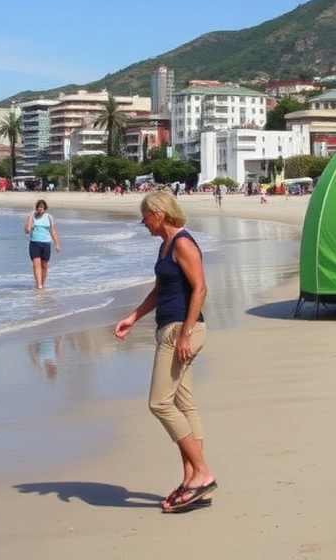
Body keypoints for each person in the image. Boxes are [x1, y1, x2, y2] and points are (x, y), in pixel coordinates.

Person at [113, 190, 216, 513]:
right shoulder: (165, 247)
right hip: (171, 330)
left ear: (160, 213)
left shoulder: (183, 243)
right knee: (184, 404)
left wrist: (184, 333)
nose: (142, 222)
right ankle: (191, 480)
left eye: (145, 216)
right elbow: (161, 290)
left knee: (159, 402)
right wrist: (133, 317)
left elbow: (200, 287)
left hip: (180, 332)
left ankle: (202, 473)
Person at [24, 199, 61, 289]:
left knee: (44, 265)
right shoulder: (32, 217)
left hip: (46, 243)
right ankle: (39, 285)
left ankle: (42, 283)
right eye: (38, 207)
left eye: (42, 207)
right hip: (34, 243)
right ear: (36, 208)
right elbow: (27, 231)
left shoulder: (49, 217)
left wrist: (57, 243)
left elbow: (53, 230)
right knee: (36, 264)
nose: (40, 209)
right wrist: (29, 219)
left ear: (45, 208)